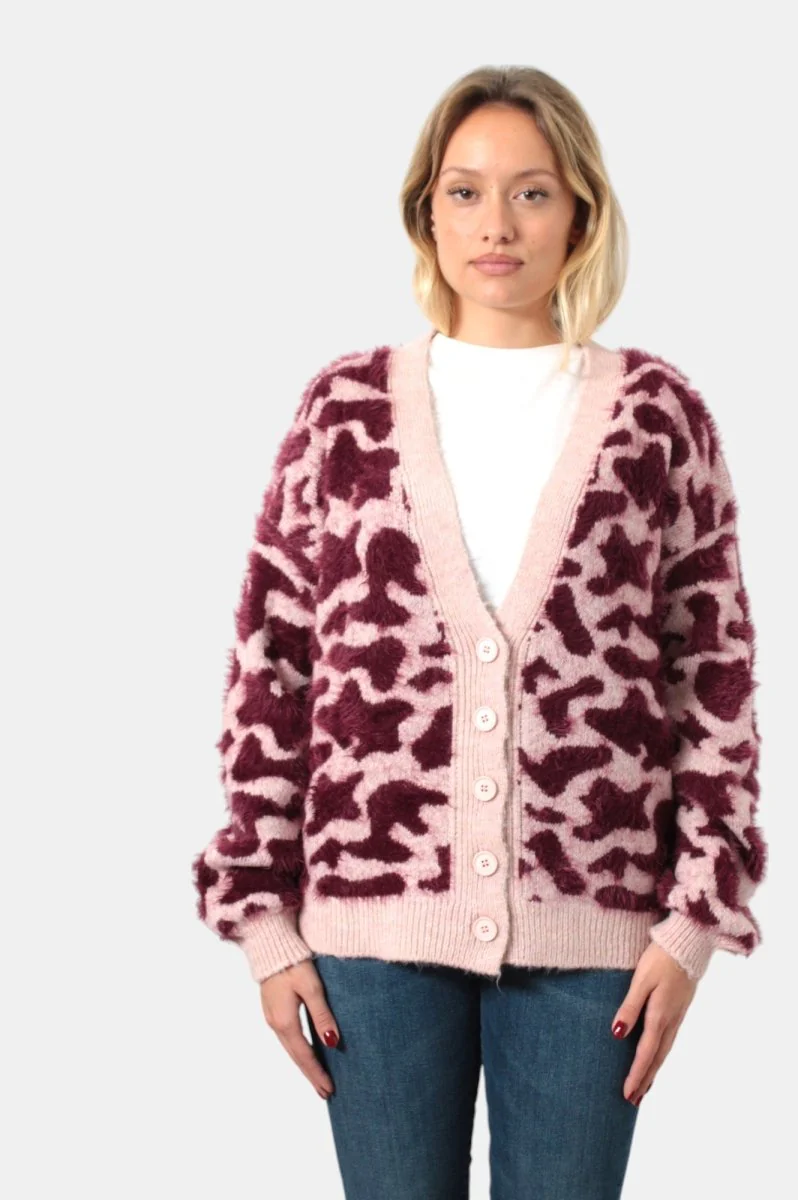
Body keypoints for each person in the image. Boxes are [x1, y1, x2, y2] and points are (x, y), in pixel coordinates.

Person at [191, 64, 768, 1200]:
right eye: (464, 192)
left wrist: (693, 925)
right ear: (426, 212)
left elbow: (712, 681)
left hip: (596, 941)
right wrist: (263, 924)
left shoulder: (656, 416)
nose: (496, 225)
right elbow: (272, 667)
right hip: (370, 939)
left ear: (581, 213)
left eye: (531, 192)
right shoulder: (345, 409)